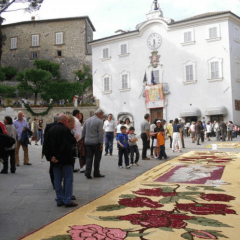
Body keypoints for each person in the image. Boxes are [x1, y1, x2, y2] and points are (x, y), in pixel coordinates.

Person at [44, 114, 78, 207]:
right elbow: (66, 146)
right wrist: (58, 157)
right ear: (64, 121)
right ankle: (67, 200)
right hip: (65, 159)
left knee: (57, 180)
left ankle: (59, 199)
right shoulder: (66, 130)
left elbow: (46, 145)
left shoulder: (50, 129)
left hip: (54, 161)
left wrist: (51, 157)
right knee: (68, 179)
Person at [82, 108, 105, 179]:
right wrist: (101, 143)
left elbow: (83, 131)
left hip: (87, 142)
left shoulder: (87, 120)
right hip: (96, 142)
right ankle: (96, 172)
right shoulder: (99, 121)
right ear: (100, 114)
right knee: (97, 158)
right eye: (102, 114)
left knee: (89, 157)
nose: (102, 116)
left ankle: (87, 172)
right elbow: (100, 133)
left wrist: (84, 139)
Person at [42, 113, 60, 188]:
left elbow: (45, 139)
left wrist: (44, 151)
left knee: (52, 166)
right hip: (60, 149)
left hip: (51, 149)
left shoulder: (48, 126)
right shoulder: (63, 126)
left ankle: (54, 183)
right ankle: (58, 181)